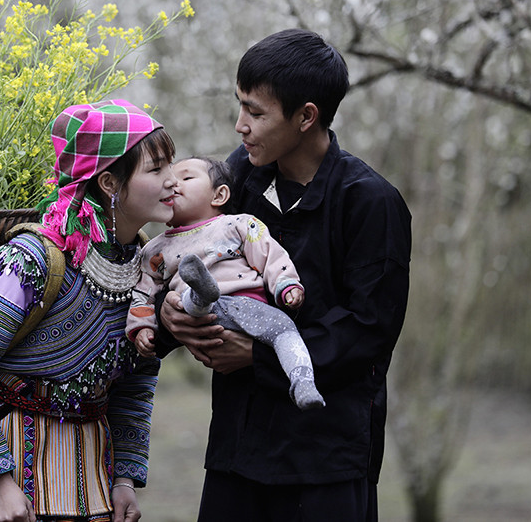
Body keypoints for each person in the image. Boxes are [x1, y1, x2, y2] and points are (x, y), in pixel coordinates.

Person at [157, 29, 411, 521]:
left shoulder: (370, 202)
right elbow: (184, 257)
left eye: (255, 112)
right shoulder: (236, 182)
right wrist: (172, 317)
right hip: (237, 451)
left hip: (325, 463)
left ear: (305, 117)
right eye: (240, 107)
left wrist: (256, 356)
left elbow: (367, 332)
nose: (239, 126)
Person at [0, 100, 177, 522]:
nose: (174, 181)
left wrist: (124, 480)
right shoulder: (30, 260)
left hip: (88, 478)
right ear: (110, 183)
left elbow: (135, 385)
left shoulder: (147, 274)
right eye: (156, 170)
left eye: (172, 165)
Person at [127, 156, 324, 409]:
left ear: (219, 195)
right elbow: (144, 293)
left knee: (284, 328)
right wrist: (142, 326)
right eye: (169, 181)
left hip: (248, 306)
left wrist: (286, 286)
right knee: (191, 299)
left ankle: (302, 381)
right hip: (199, 317)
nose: (173, 184)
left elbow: (271, 257)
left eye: (185, 178)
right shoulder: (156, 250)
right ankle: (200, 292)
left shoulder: (238, 225)